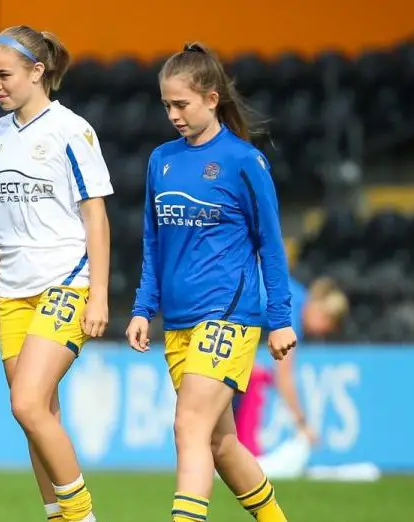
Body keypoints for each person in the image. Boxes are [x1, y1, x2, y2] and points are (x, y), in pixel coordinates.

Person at [125, 42, 295, 522]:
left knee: (189, 425)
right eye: (166, 105)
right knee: (220, 444)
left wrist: (280, 319)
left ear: (212, 98)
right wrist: (143, 307)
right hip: (178, 323)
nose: (173, 115)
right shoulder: (161, 160)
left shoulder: (243, 161)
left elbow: (271, 244)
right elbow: (154, 242)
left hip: (228, 315)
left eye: (181, 104)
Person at [0, 25, 114, 522]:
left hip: (65, 282)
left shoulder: (71, 130)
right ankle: (58, 517)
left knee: (27, 403)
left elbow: (95, 216)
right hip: (13, 291)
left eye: (5, 75)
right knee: (38, 416)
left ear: (37, 72)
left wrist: (99, 294)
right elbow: (6, 219)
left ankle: (81, 516)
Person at [236, 276, 349, 472]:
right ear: (321, 311)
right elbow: (284, 377)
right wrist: (302, 424)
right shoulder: (290, 312)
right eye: (327, 324)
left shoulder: (292, 292)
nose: (322, 332)